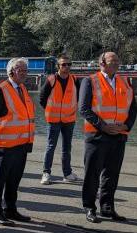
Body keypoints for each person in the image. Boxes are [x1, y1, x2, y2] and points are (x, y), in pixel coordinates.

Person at [80, 52, 137, 223]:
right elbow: (83, 108)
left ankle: (107, 208)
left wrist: (126, 126)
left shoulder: (125, 82)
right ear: (102, 63)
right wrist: (103, 126)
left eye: (118, 61)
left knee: (111, 175)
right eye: (113, 62)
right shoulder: (90, 81)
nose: (117, 64)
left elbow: (133, 108)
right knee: (92, 174)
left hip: (119, 136)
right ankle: (89, 208)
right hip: (97, 135)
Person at [0, 57, 35, 226]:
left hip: (21, 145)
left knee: (14, 180)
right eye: (21, 70)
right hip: (5, 146)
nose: (24, 73)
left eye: (25, 70)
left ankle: (10, 210)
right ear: (12, 71)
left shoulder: (23, 89)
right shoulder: (1, 90)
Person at [38, 55, 81, 185]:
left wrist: (72, 109)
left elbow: (79, 97)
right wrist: (50, 111)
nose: (66, 67)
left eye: (69, 64)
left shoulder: (74, 80)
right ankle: (46, 173)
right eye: (63, 64)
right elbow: (42, 99)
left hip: (69, 119)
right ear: (58, 66)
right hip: (54, 119)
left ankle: (67, 173)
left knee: (67, 147)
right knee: (51, 146)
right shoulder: (51, 80)